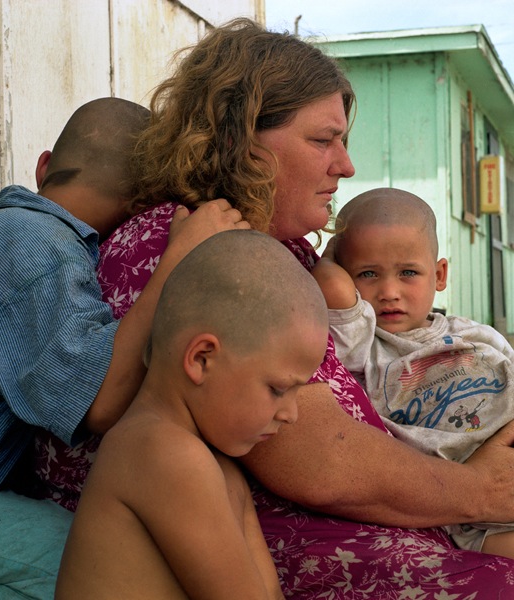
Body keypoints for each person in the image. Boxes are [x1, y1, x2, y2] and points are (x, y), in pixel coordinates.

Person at [32, 20, 514, 597]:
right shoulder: (199, 250)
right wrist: (480, 493)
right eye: (322, 141)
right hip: (282, 542)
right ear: (242, 140)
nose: (346, 165)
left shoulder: (267, 247)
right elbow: (315, 460)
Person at [0, 96, 249, 600]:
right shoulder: (39, 251)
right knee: (122, 564)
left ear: (44, 165)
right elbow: (99, 400)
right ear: (141, 210)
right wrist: (179, 257)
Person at [55, 230, 329, 599]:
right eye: (278, 389)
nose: (291, 413)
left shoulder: (221, 467)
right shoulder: (160, 450)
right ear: (202, 359)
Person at [311, 186, 514, 558]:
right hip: (474, 507)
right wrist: (330, 256)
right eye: (368, 273)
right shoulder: (363, 347)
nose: (389, 291)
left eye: (408, 272)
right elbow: (331, 288)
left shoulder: (472, 334)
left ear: (439, 274)